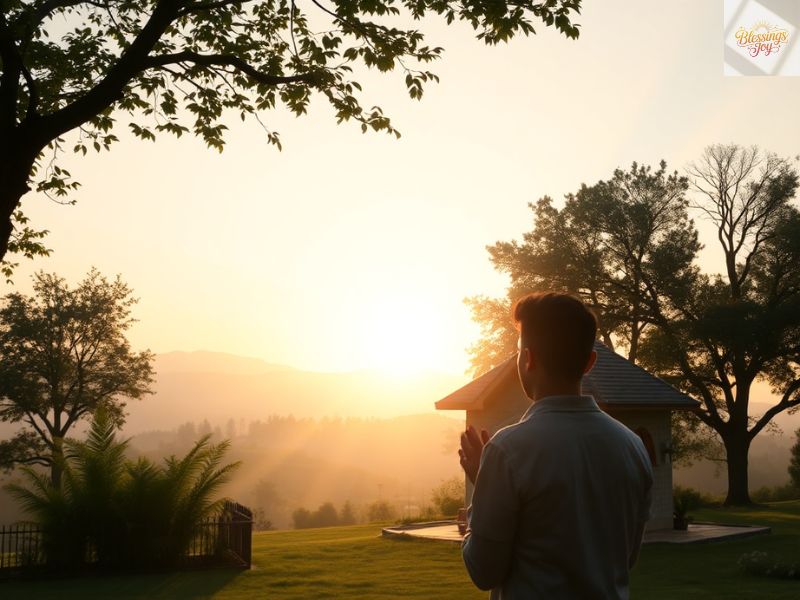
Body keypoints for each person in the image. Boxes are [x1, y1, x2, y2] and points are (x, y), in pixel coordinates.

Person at [459, 291, 653, 599]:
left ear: (528, 358)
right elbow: (625, 558)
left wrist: (482, 488)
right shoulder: (632, 447)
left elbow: (483, 571)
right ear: (589, 362)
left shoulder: (508, 451)